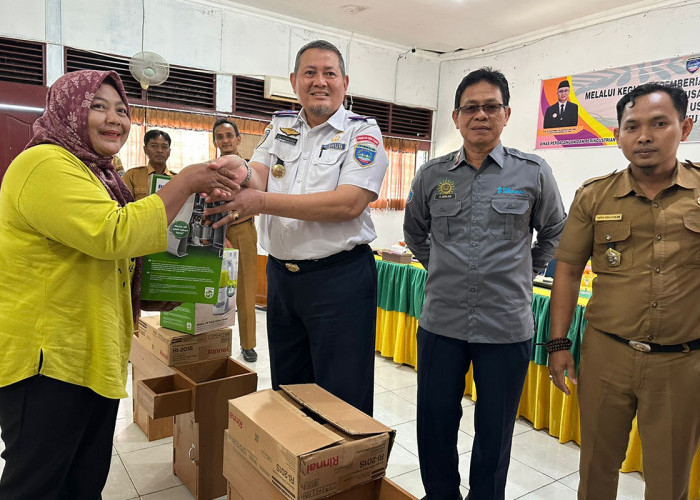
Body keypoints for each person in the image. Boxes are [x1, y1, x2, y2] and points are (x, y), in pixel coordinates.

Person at [0, 70, 235, 499]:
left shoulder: (99, 174)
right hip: (48, 362)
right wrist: (186, 183)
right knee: (36, 486)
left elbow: (108, 258)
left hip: (92, 352)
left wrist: (155, 290)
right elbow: (114, 234)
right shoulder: (44, 164)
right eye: (97, 106)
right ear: (67, 110)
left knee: (83, 480)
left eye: (122, 110)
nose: (114, 119)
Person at [403, 67, 566, 500]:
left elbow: (555, 231)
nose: (481, 115)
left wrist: (525, 270)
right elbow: (414, 230)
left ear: (506, 114)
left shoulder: (533, 172)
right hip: (442, 322)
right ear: (456, 117)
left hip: (505, 324)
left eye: (490, 106)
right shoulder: (432, 175)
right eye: (471, 107)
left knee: (494, 428)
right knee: (435, 421)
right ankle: (440, 495)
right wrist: (440, 265)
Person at [204, 39, 389, 416]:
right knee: (289, 389)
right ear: (294, 81)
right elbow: (257, 173)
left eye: (329, 73)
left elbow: (348, 203)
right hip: (284, 279)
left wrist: (261, 201)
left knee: (342, 396)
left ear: (345, 82)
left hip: (339, 280)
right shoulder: (282, 125)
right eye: (310, 73)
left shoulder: (362, 133)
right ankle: (298, 470)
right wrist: (238, 172)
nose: (319, 81)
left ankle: (339, 473)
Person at [547, 82, 700, 500]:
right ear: (618, 135)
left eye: (659, 124)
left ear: (684, 128)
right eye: (632, 126)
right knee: (596, 468)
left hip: (681, 363)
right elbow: (568, 270)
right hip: (606, 356)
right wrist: (558, 342)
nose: (644, 136)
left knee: (669, 480)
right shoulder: (594, 196)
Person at [212, 117, 258, 363]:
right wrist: (219, 235)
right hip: (214, 234)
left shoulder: (251, 170)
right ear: (215, 141)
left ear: (239, 139)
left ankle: (248, 344)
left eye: (229, 135)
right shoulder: (209, 169)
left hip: (242, 231)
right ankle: (209, 340)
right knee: (210, 289)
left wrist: (231, 221)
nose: (225, 140)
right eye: (219, 136)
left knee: (246, 290)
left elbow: (259, 202)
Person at [122, 129, 175, 200]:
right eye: (154, 146)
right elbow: (123, 204)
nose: (160, 150)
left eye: (164, 147)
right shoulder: (132, 175)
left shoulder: (176, 179)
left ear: (169, 151)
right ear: (145, 150)